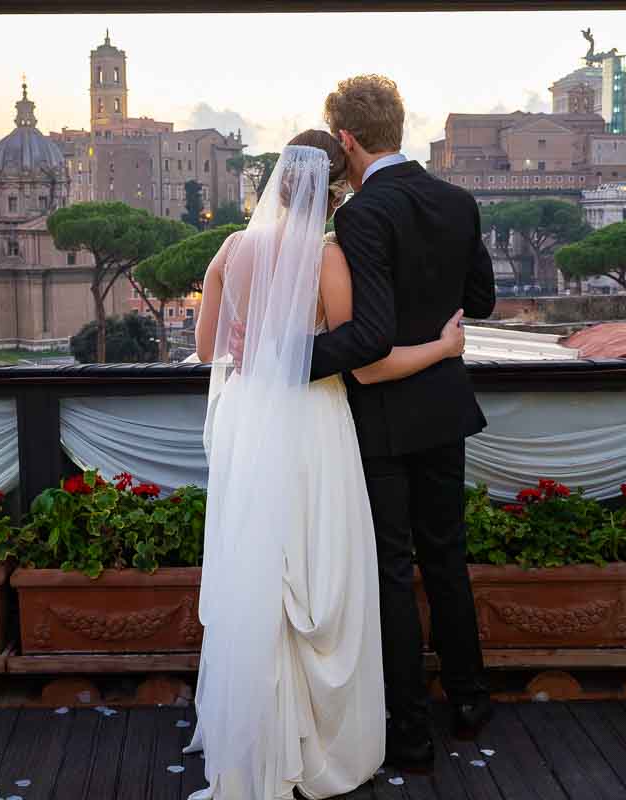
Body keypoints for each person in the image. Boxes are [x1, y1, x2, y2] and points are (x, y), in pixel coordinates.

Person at [185, 131, 467, 800]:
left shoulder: (231, 249)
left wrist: (259, 347)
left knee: (261, 564)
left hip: (249, 420)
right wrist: (442, 345)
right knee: (321, 567)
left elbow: (205, 351)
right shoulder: (327, 258)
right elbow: (364, 360)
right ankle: (320, 739)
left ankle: (255, 740)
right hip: (314, 422)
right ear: (334, 191)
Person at [308, 75, 497, 772]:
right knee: (445, 557)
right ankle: (471, 700)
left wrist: (279, 359)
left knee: (391, 572)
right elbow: (481, 299)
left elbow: (368, 339)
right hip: (446, 405)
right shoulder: (456, 199)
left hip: (385, 416)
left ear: (346, 139)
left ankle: (410, 734)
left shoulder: (362, 215)